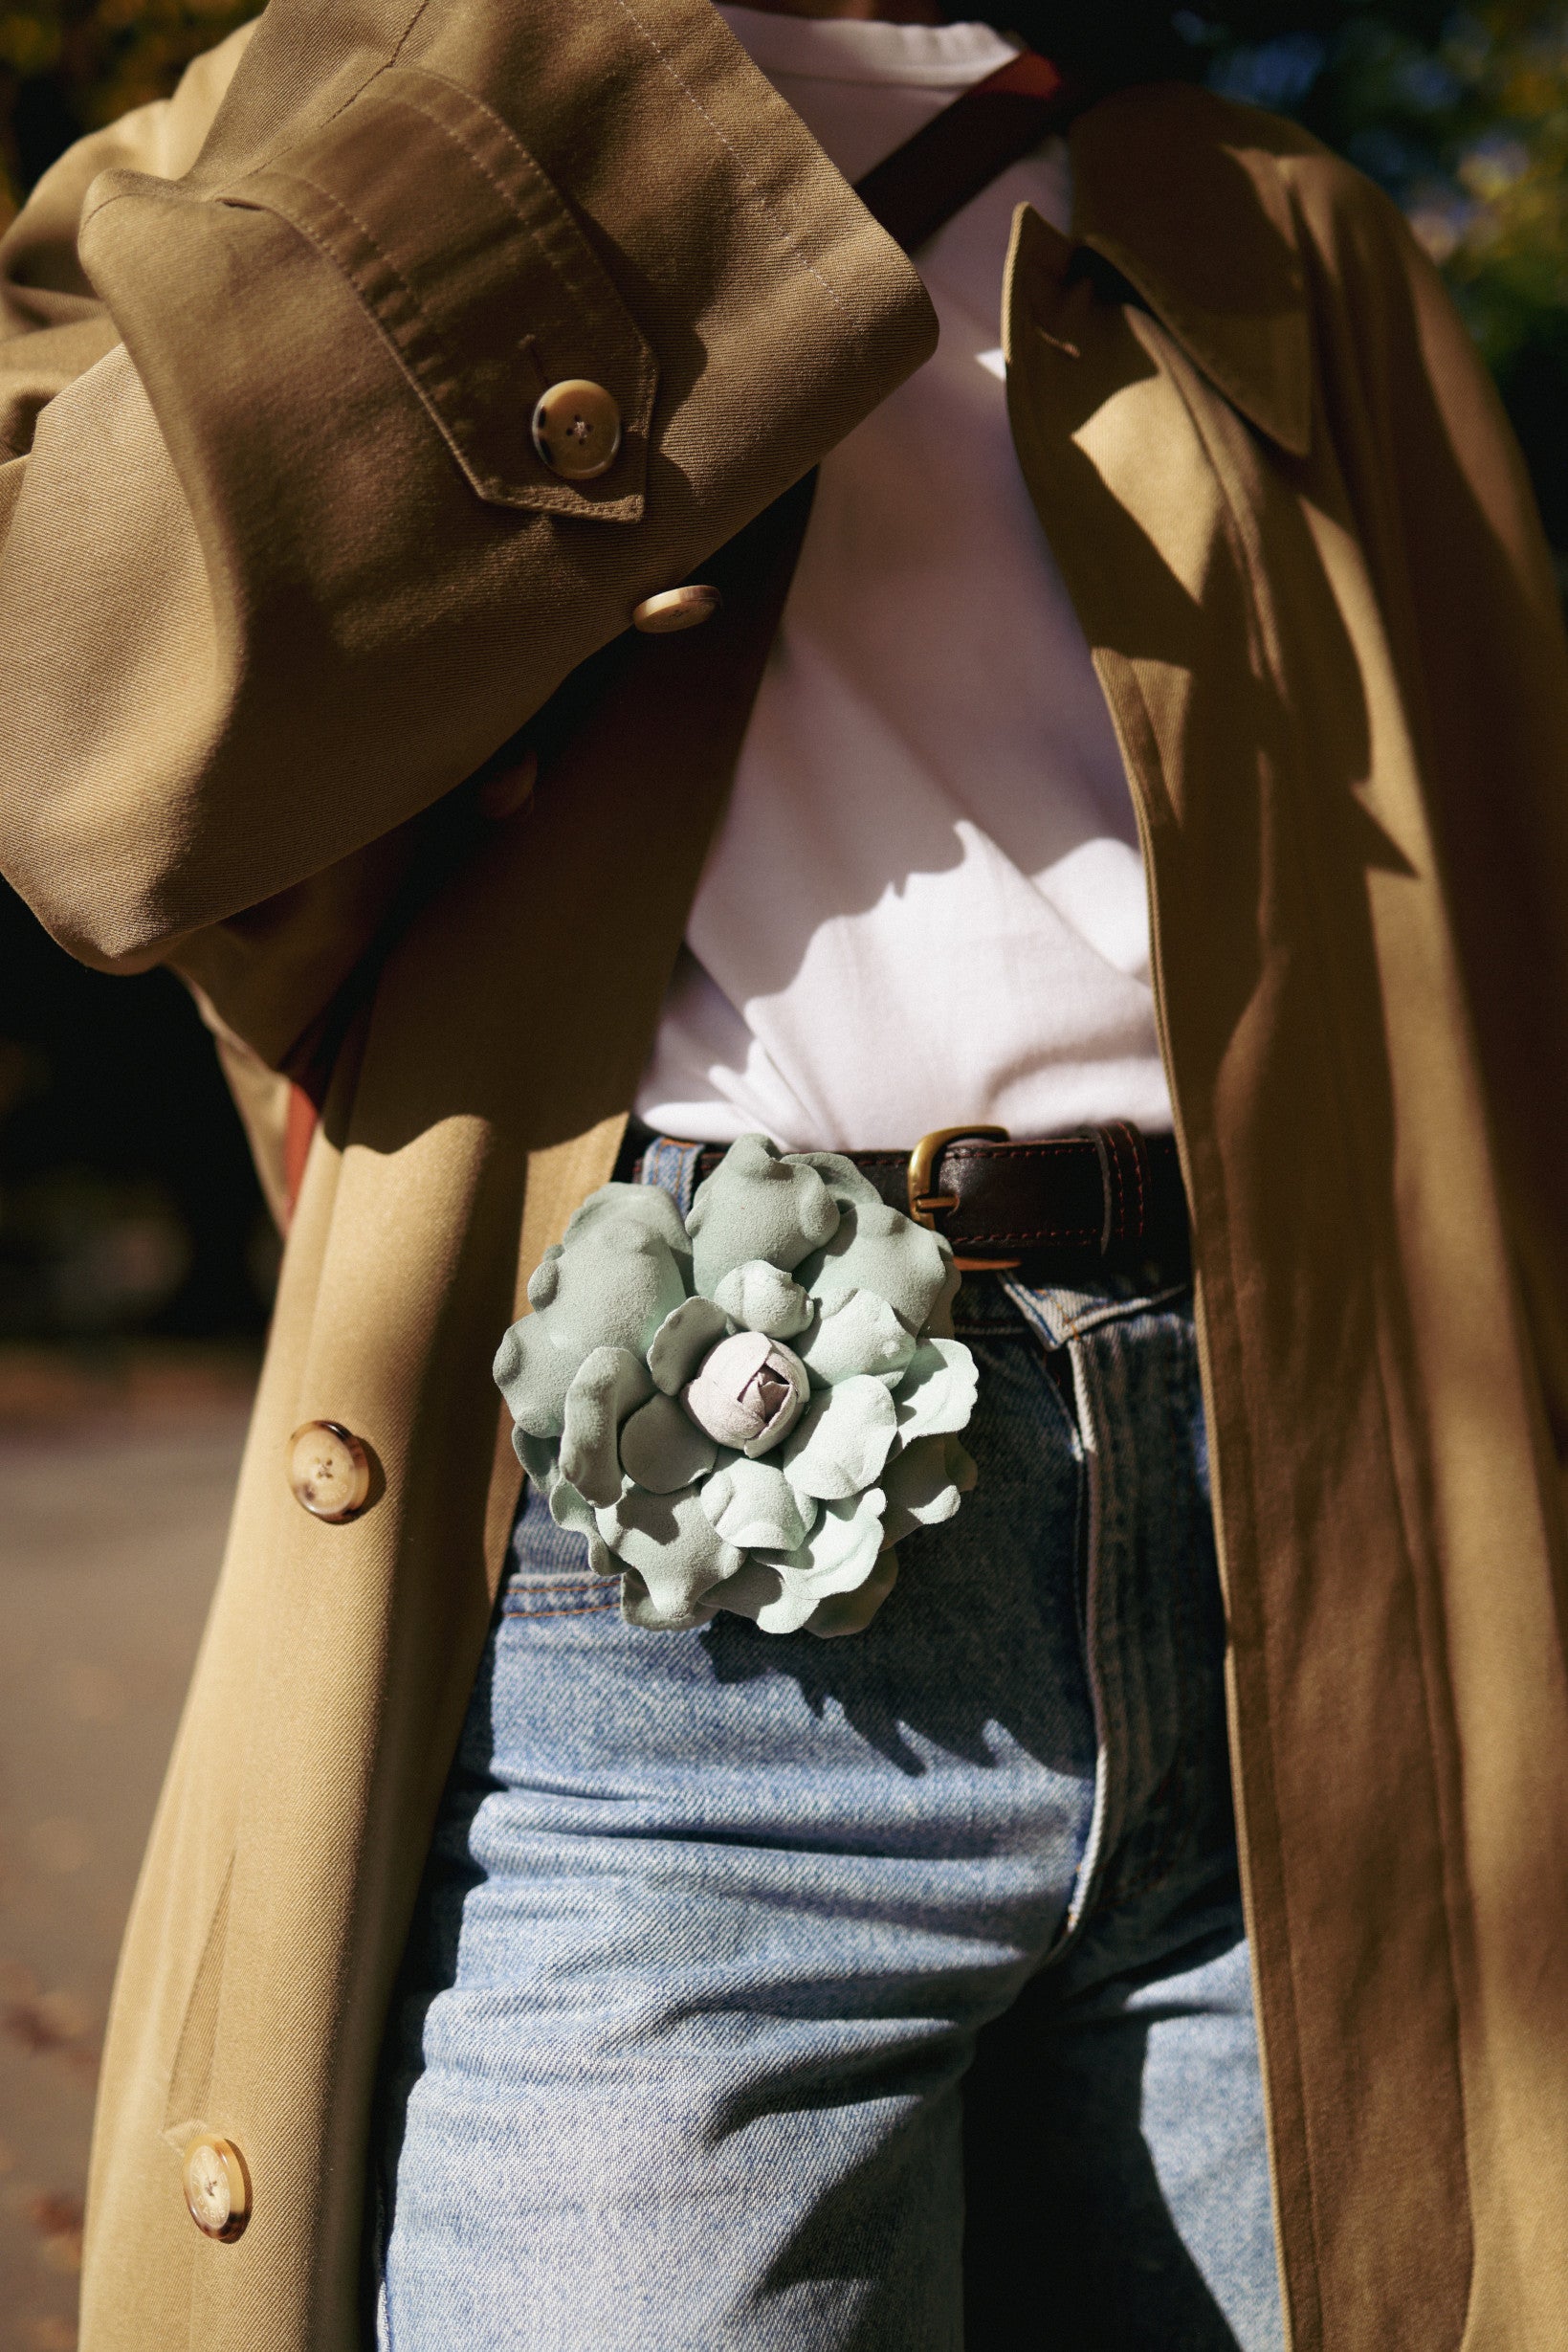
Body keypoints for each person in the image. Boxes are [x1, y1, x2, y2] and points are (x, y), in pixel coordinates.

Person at [1, 0, 1566, 2346]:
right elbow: (77, 750)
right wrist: (560, 100)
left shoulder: (1273, 223)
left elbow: (1515, 970)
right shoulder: (298, 109)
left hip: (1308, 1593)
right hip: (685, 1643)